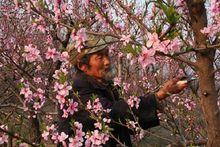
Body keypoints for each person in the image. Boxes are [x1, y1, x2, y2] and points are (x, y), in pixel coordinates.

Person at [57, 37, 187, 147]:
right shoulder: (77, 91)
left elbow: (126, 121)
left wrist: (155, 102)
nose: (107, 61)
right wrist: (158, 95)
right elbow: (112, 113)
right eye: (100, 57)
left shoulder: (107, 86)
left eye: (107, 55)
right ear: (82, 66)